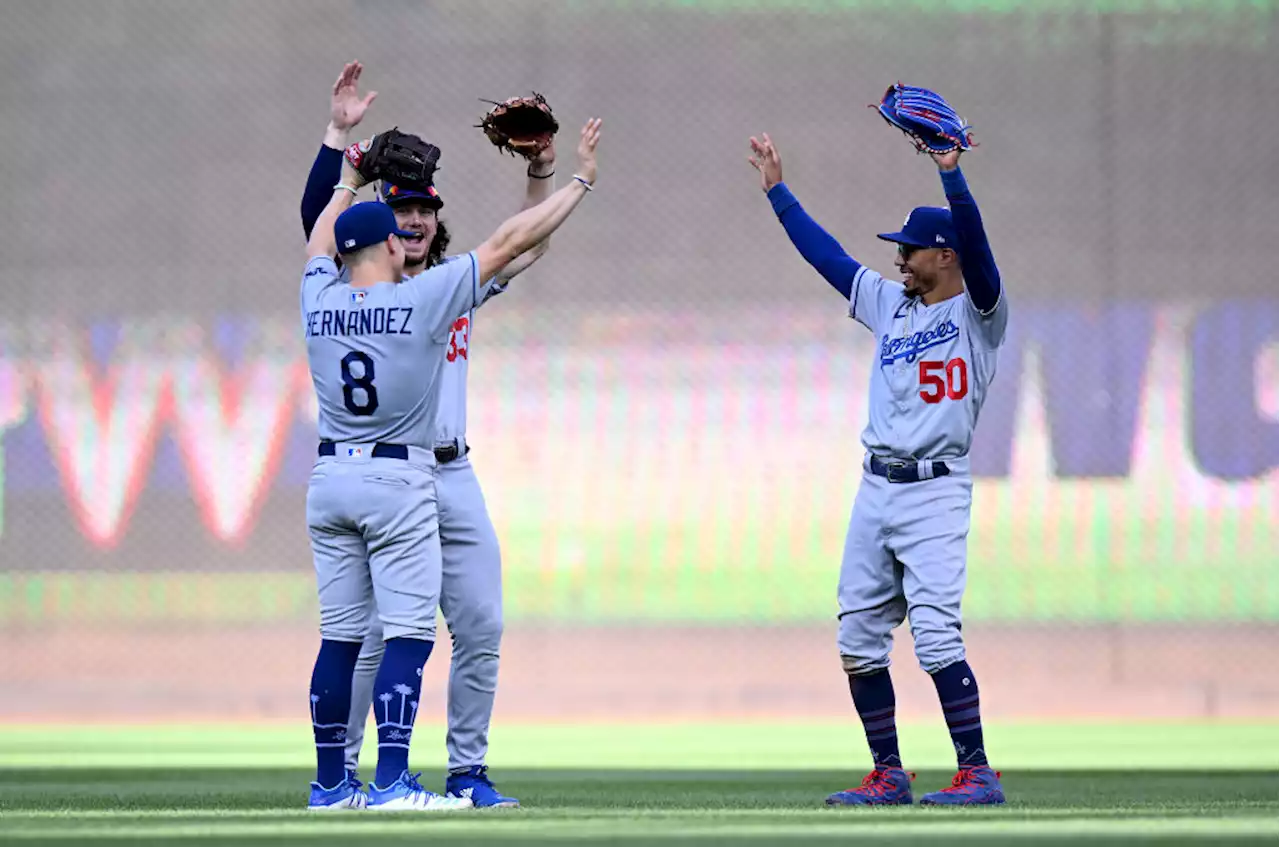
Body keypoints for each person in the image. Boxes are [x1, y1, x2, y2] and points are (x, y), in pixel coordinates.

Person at [303, 114, 602, 812]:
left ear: (437, 224)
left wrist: (541, 172)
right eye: (401, 208)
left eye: (424, 211)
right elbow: (507, 244)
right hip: (395, 477)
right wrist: (582, 175)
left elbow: (525, 242)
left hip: (445, 471)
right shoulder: (419, 297)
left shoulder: (425, 286)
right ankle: (360, 773)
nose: (413, 220)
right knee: (380, 634)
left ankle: (462, 769)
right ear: (382, 231)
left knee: (479, 623)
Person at [747, 131, 1008, 806]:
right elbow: (828, 258)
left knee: (936, 631)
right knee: (858, 636)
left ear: (943, 255)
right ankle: (888, 771)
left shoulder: (979, 312)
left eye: (910, 246)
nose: (898, 255)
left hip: (935, 490)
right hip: (876, 487)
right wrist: (779, 192)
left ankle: (977, 770)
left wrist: (952, 175)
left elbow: (979, 250)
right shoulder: (892, 303)